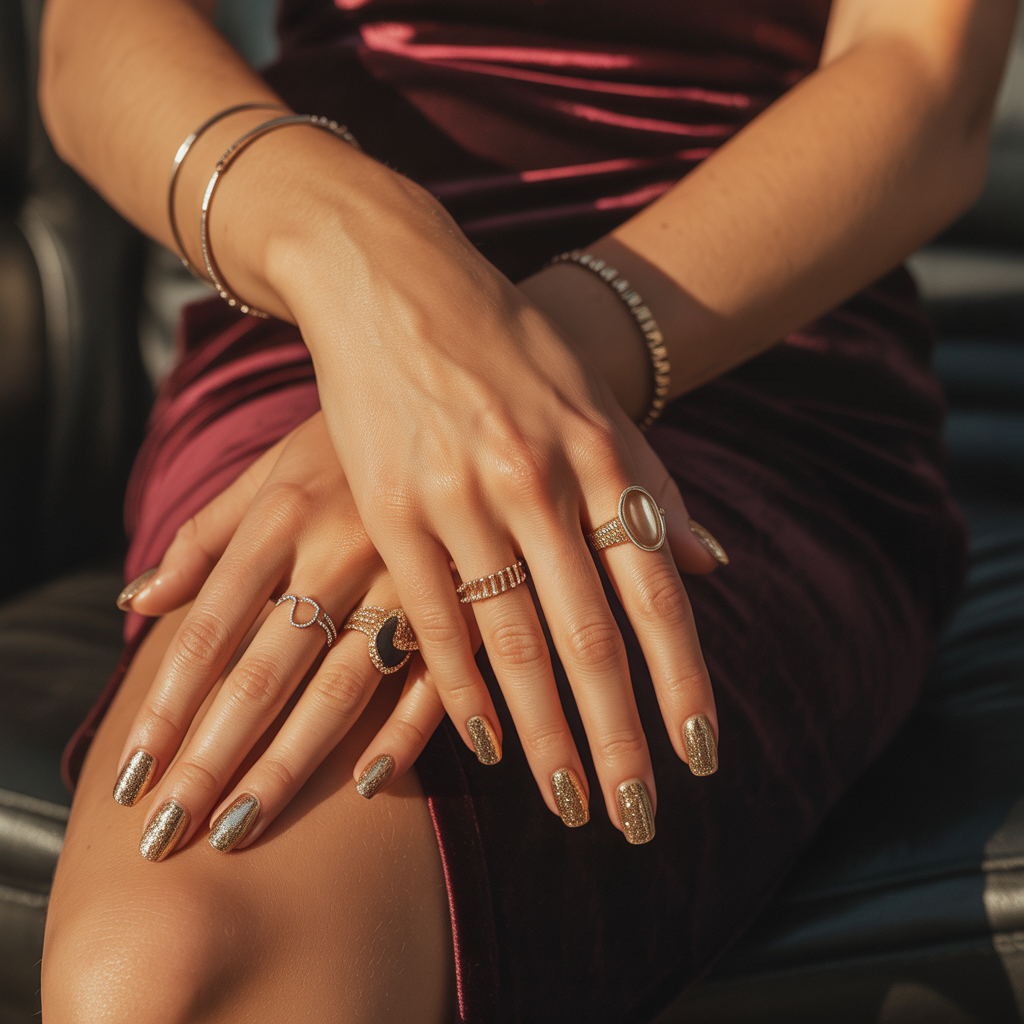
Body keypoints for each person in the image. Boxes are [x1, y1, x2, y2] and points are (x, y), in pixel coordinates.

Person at [36, 0, 1015, 1021]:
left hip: (737, 340)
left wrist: (480, 397)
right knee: (164, 963)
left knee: (186, 971)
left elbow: (921, 74)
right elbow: (93, 34)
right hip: (310, 313)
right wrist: (358, 257)